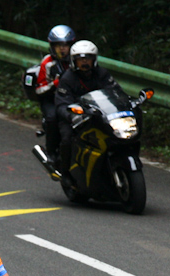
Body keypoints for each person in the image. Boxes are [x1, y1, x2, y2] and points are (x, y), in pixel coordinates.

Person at [55, 40, 120, 182]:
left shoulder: (102, 74)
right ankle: (65, 173)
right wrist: (71, 115)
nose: (84, 62)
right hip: (76, 117)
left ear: (94, 60)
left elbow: (115, 92)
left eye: (88, 58)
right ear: (74, 61)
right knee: (67, 139)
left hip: (99, 115)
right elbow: (61, 103)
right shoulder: (68, 78)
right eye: (80, 59)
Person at [35, 25, 76, 166]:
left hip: (73, 98)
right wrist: (56, 83)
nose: (62, 49)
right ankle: (51, 152)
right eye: (58, 45)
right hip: (51, 99)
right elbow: (39, 89)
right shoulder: (47, 63)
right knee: (53, 118)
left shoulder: (78, 60)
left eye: (65, 45)